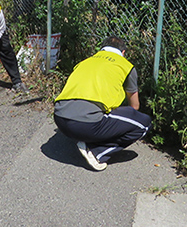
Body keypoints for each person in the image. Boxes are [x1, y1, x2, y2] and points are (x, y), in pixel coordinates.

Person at [53, 37, 151, 171]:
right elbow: (135, 107)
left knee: (98, 113)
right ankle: (97, 151)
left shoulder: (85, 62)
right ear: (123, 52)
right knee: (143, 123)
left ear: (102, 48)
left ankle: (87, 139)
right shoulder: (126, 66)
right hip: (86, 124)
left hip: (59, 118)